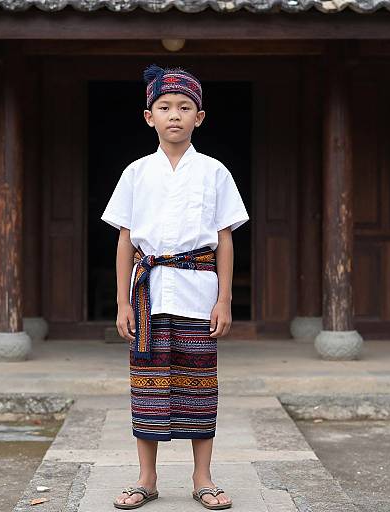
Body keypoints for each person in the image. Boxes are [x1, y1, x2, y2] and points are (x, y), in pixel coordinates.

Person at [101, 64, 249, 510]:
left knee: (199, 384)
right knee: (147, 385)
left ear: (199, 117)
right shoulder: (135, 173)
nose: (175, 116)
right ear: (149, 117)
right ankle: (147, 478)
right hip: (148, 294)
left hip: (198, 292)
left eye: (185, 108)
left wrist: (224, 298)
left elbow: (225, 239)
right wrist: (123, 301)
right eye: (164, 107)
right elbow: (125, 241)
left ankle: (203, 478)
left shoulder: (215, 172)